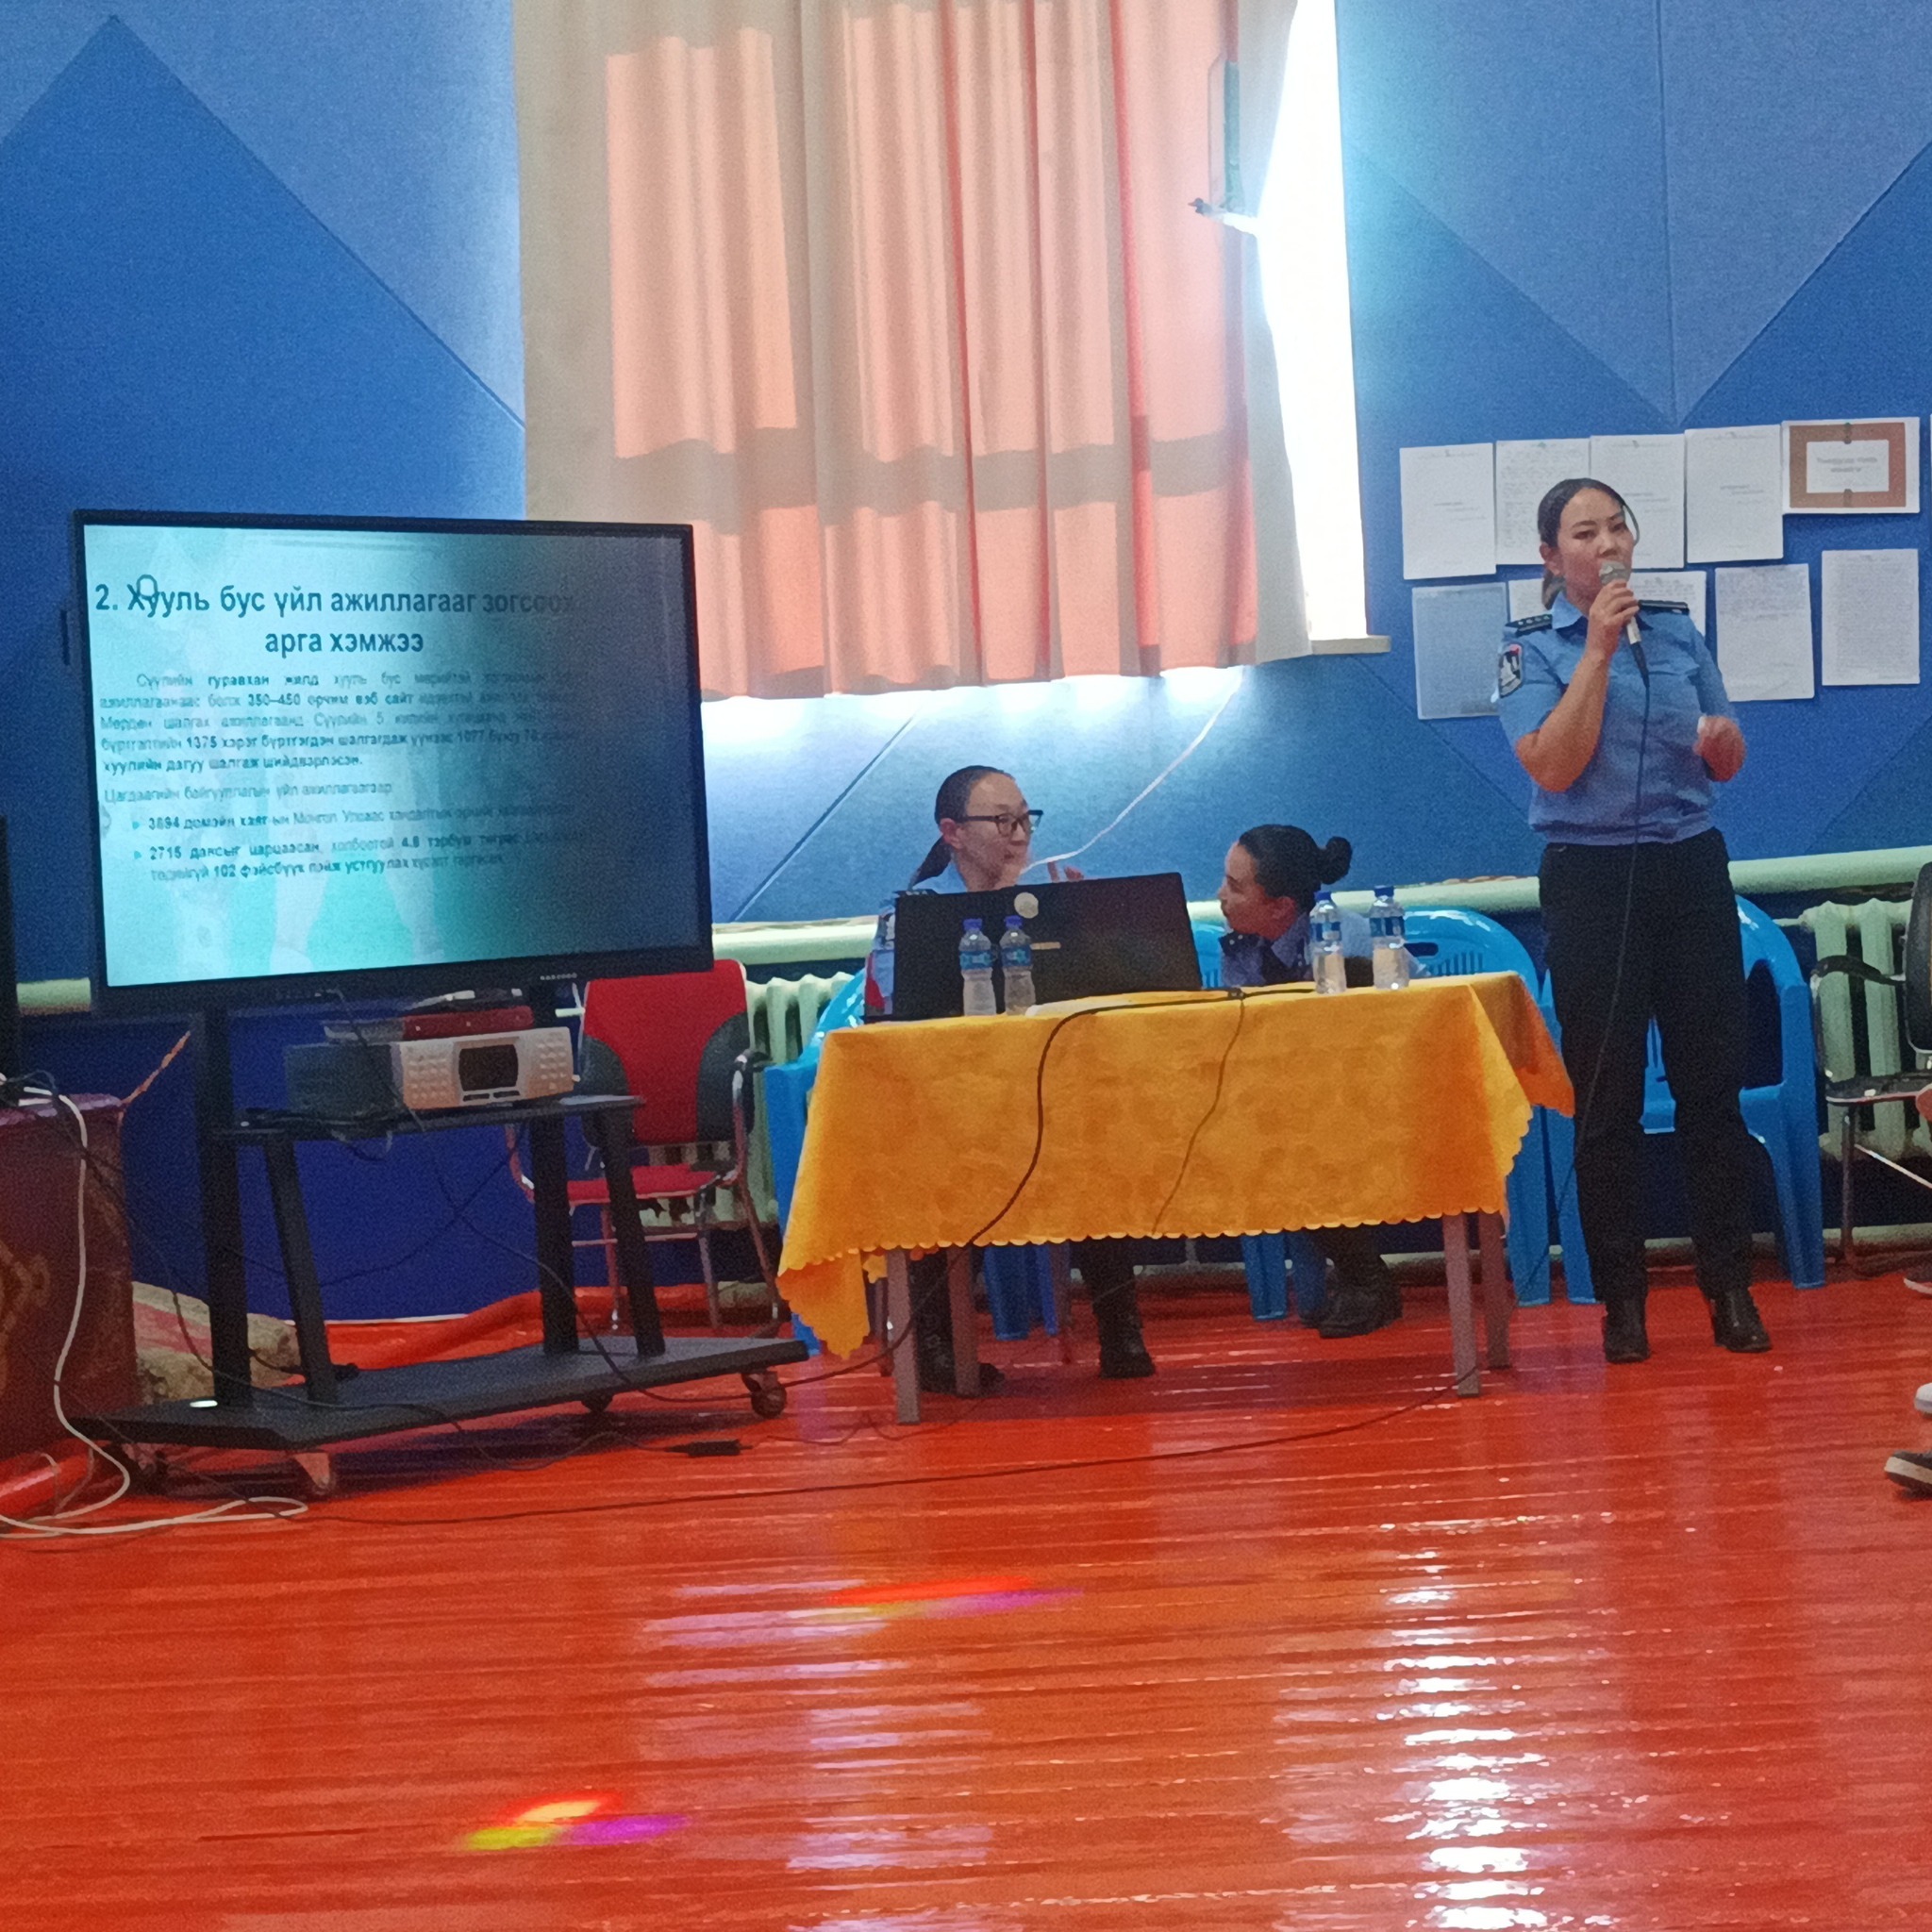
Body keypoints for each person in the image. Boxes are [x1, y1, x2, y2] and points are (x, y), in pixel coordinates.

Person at [1498, 476, 1771, 1364]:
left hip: (1688, 869)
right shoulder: (1527, 649)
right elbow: (1554, 765)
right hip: (1591, 877)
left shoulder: (1679, 629)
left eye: (1618, 527)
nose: (1609, 544)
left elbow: (1726, 752)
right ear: (1551, 556)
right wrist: (1598, 651)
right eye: (1586, 533)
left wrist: (1723, 746)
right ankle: (1622, 1302)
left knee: (1711, 1093)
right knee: (1608, 1102)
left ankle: (1730, 1288)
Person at [895, 766, 1152, 1390]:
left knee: (1095, 1150)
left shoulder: (1051, 899)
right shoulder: (914, 911)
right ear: (953, 832)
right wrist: (1000, 906)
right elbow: (901, 1012)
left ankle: (1121, 1332)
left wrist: (1088, 929)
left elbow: (1098, 1003)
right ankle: (936, 1347)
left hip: (1048, 1092)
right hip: (954, 1103)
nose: (1018, 834)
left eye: (1024, 819)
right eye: (1001, 821)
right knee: (947, 1174)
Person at [1216, 824, 1404, 1338]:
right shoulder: (1240, 947)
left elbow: (1393, 1036)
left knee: (1298, 1133)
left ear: (1280, 907)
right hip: (1299, 1096)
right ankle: (1362, 1276)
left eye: (1235, 886)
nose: (1220, 895)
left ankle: (1365, 1278)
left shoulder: (1351, 940)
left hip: (1378, 1090)